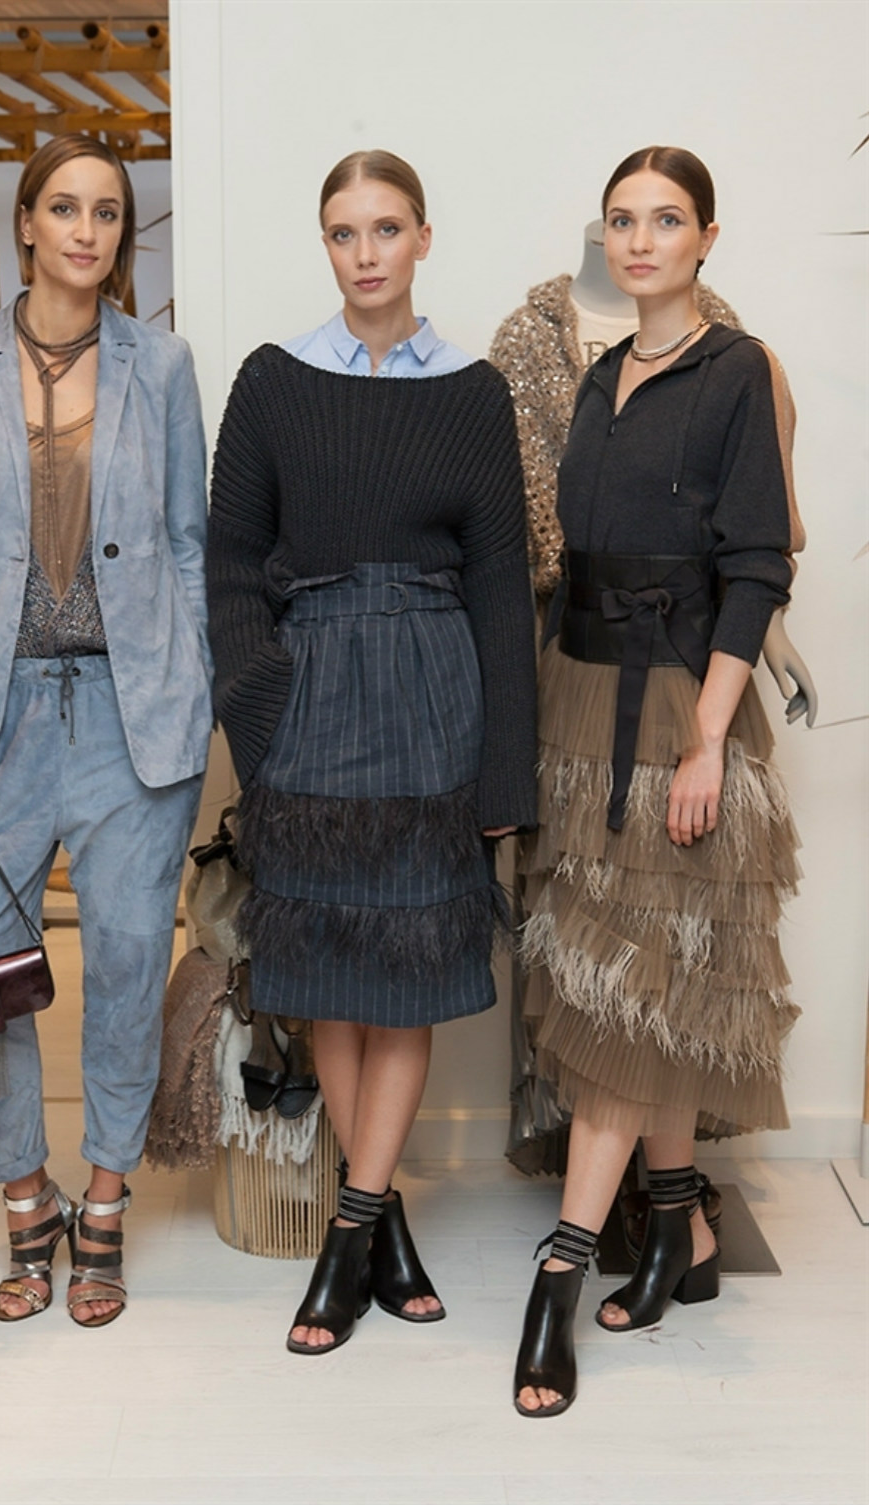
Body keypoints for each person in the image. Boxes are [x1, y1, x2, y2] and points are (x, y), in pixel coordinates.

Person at [207, 149, 538, 1355]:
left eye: (386, 229)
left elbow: (500, 583)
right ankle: (377, 1224)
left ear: (423, 238)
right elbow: (229, 563)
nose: (365, 253)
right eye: (344, 231)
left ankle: (348, 1237)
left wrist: (507, 767)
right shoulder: (272, 380)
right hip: (309, 699)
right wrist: (258, 712)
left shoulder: (474, 390)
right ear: (326, 243)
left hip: (434, 693)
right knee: (327, 980)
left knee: (403, 972)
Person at [513, 146, 803, 1416]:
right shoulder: (594, 376)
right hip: (579, 696)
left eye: (665, 218)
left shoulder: (737, 370)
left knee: (640, 986)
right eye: (621, 219)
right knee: (642, 974)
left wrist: (707, 740)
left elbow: (757, 563)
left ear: (705, 239)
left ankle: (560, 1270)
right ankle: (679, 1222)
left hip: (679, 699)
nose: (639, 239)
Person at [0, 134, 212, 1327]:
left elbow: (185, 543)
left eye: (107, 212)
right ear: (27, 222)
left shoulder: (163, 363)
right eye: (65, 208)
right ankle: (25, 1198)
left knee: (129, 959)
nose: (87, 230)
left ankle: (105, 1200)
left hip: (134, 713)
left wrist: (190, 688)